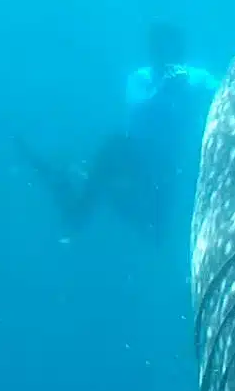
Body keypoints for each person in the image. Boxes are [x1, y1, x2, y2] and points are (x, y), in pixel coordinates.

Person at [22, 21, 220, 241]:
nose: (166, 61)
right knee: (77, 218)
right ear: (153, 55)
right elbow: (136, 106)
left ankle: (95, 183)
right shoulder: (140, 77)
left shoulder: (196, 78)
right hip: (126, 153)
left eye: (172, 53)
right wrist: (161, 90)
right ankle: (64, 179)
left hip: (164, 162)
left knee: (157, 234)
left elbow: (224, 91)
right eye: (161, 53)